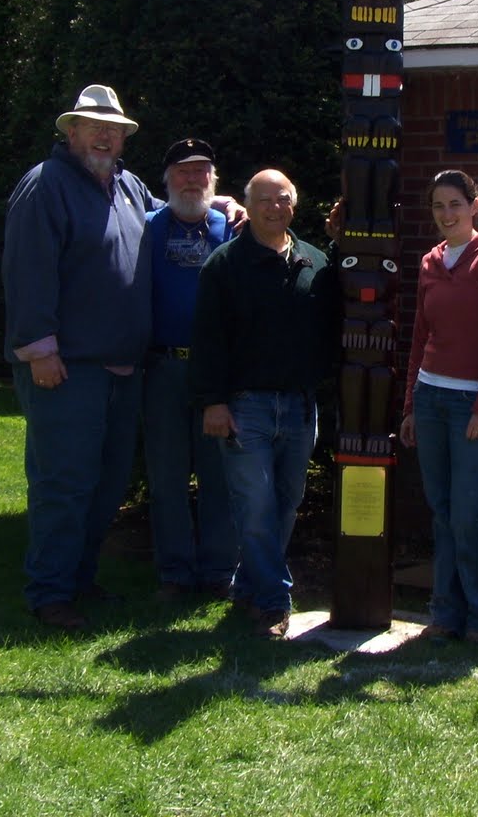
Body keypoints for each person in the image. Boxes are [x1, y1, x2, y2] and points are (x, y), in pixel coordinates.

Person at [1, 83, 242, 633]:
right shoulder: (46, 185)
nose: (105, 137)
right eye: (94, 128)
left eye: (114, 130)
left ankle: (80, 580)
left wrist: (223, 203)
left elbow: (173, 209)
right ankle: (50, 593)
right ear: (71, 132)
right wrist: (39, 350)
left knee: (106, 484)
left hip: (123, 369)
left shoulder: (126, 188)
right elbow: (28, 271)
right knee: (64, 482)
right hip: (67, 366)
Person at [191, 169, 337, 639]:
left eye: (283, 199)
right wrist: (213, 402)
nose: (275, 208)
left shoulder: (314, 262)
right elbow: (208, 340)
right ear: (248, 206)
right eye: (265, 200)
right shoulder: (224, 265)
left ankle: (249, 584)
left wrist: (339, 244)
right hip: (244, 407)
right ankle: (275, 602)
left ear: (295, 204)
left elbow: (335, 320)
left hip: (299, 406)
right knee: (255, 505)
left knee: (287, 503)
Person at [399, 170, 478, 644]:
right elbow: (420, 337)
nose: (446, 214)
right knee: (442, 510)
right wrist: (411, 405)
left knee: (468, 513)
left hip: (473, 402)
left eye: (455, 204)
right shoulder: (431, 262)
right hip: (431, 398)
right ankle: (446, 613)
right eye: (438, 206)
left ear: (475, 205)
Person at [141, 138, 237, 601]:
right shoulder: (147, 227)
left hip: (215, 371)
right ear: (167, 179)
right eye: (183, 171)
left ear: (213, 180)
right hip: (162, 368)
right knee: (166, 476)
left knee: (219, 474)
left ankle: (219, 569)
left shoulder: (232, 226)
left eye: (202, 171)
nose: (193, 180)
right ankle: (175, 572)